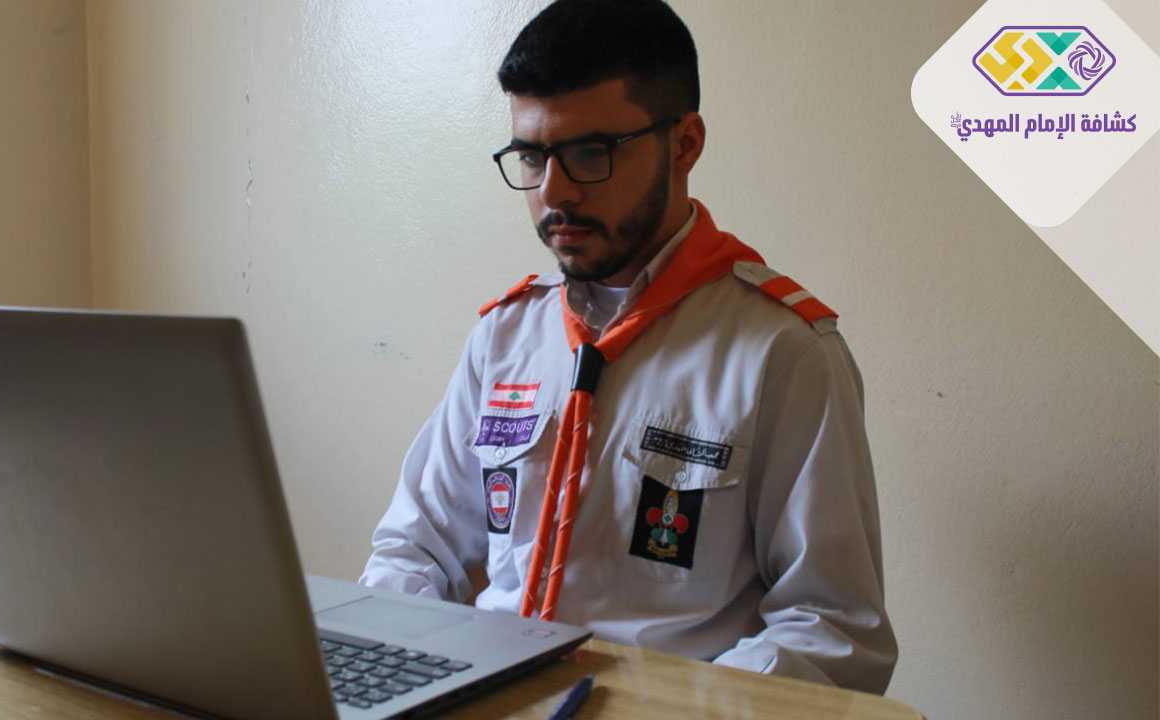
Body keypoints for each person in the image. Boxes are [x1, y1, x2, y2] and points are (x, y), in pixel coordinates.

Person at [359, 0, 897, 693]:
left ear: (685, 144)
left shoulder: (780, 353)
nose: (554, 192)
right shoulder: (506, 336)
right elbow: (416, 548)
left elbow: (832, 629)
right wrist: (388, 669)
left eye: (591, 153)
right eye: (532, 156)